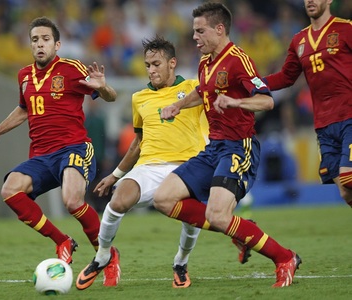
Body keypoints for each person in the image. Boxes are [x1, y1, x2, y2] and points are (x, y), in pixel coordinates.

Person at [75, 35, 250, 291]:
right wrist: (115, 175)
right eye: (147, 65)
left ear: (172, 63)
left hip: (188, 165)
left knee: (190, 218)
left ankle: (181, 262)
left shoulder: (194, 87)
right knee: (117, 201)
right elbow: (138, 142)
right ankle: (103, 255)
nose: (151, 70)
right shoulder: (139, 98)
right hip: (148, 168)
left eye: (156, 64)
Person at [154, 2, 301, 288]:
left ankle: (285, 258)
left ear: (219, 29)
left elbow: (267, 99)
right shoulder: (205, 61)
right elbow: (202, 91)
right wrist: (178, 105)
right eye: (194, 31)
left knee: (217, 215)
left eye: (200, 31)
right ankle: (240, 231)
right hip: (214, 148)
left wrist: (236, 102)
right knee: (163, 199)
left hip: (239, 147)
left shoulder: (238, 60)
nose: (194, 37)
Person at [0, 16, 120, 285]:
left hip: (74, 147)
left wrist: (104, 87)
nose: (40, 44)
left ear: (57, 44)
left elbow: (111, 97)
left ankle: (107, 256)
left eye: (45, 39)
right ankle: (62, 240)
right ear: (30, 45)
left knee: (72, 201)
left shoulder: (71, 68)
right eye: (35, 40)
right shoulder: (24, 76)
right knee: (9, 190)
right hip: (41, 155)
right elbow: (23, 110)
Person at [263, 0, 352, 207]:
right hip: (324, 125)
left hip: (349, 116)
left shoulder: (346, 29)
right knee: (346, 193)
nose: (310, 1)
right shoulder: (299, 40)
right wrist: (254, 83)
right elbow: (286, 77)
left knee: (348, 177)